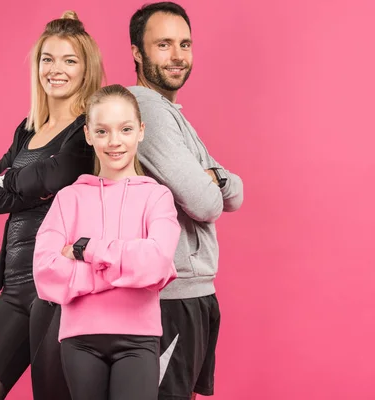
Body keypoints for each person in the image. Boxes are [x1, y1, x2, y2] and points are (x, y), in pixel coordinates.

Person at [0, 11, 104, 400]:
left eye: (69, 60)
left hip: (55, 292)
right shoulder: (28, 131)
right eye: (48, 59)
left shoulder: (86, 132)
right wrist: (25, 186)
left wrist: (13, 182)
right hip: (16, 286)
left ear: (86, 69)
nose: (56, 70)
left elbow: (52, 178)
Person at [32, 84, 180, 400]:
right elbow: (46, 272)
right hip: (79, 340)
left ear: (140, 131)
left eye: (125, 129)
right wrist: (122, 271)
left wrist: (88, 249)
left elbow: (156, 263)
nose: (114, 141)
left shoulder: (157, 197)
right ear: (88, 134)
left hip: (138, 339)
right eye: (102, 131)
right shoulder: (68, 198)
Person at [127, 2, 244, 399]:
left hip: (193, 292)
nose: (177, 55)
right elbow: (207, 203)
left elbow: (235, 192)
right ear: (137, 53)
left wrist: (216, 179)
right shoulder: (146, 111)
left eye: (184, 44)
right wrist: (213, 181)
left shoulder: (171, 113)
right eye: (163, 44)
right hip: (169, 296)